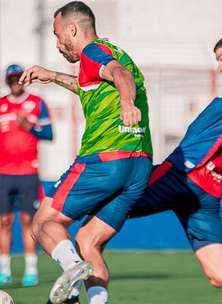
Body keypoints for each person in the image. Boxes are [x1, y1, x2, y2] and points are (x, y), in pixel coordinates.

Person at [73, 32, 222, 304]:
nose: (220, 67)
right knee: (220, 273)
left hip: (181, 176)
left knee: (89, 228)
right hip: (207, 189)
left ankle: (77, 295)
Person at [19, 1, 152, 303]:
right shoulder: (115, 52)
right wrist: (51, 75)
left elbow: (120, 76)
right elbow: (89, 86)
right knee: (87, 240)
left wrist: (126, 104)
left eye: (57, 34)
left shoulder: (92, 53)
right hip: (139, 165)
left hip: (105, 157)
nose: (57, 43)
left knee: (43, 223)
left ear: (73, 29)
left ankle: (72, 267)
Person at [0, 64, 53, 287]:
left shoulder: (37, 104)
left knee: (28, 220)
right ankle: (4, 270)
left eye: (18, 79)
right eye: (11, 79)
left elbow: (49, 134)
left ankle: (31, 270)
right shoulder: (1, 105)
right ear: (7, 81)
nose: (15, 83)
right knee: (4, 221)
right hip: (3, 173)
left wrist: (27, 126)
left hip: (28, 172)